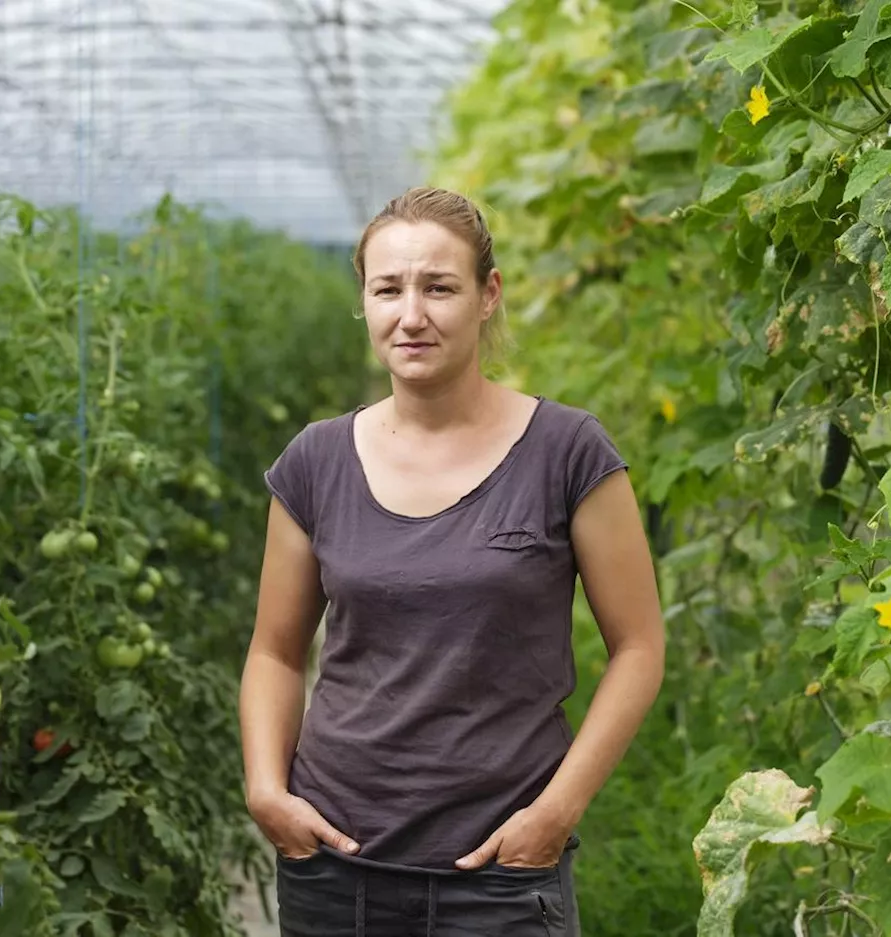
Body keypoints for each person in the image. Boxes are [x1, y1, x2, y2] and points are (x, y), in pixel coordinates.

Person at [238, 186, 666, 937]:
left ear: (487, 294)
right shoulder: (316, 461)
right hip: (337, 867)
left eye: (439, 287)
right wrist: (267, 789)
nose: (411, 315)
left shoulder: (567, 453)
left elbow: (639, 647)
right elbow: (276, 650)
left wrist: (557, 811)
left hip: (500, 875)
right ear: (364, 301)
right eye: (388, 289)